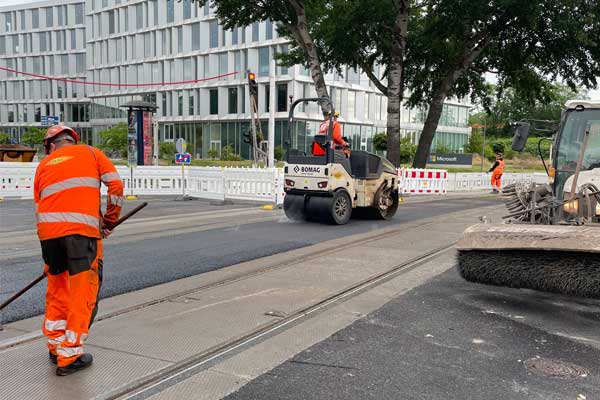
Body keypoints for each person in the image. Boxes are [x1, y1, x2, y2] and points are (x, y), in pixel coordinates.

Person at [34, 125, 124, 376]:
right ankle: (70, 353)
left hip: (49, 236)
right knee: (83, 292)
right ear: (71, 141)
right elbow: (115, 187)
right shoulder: (92, 154)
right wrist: (109, 220)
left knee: (57, 289)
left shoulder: (44, 165)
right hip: (81, 235)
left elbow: (41, 202)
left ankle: (55, 345)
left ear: (51, 146)